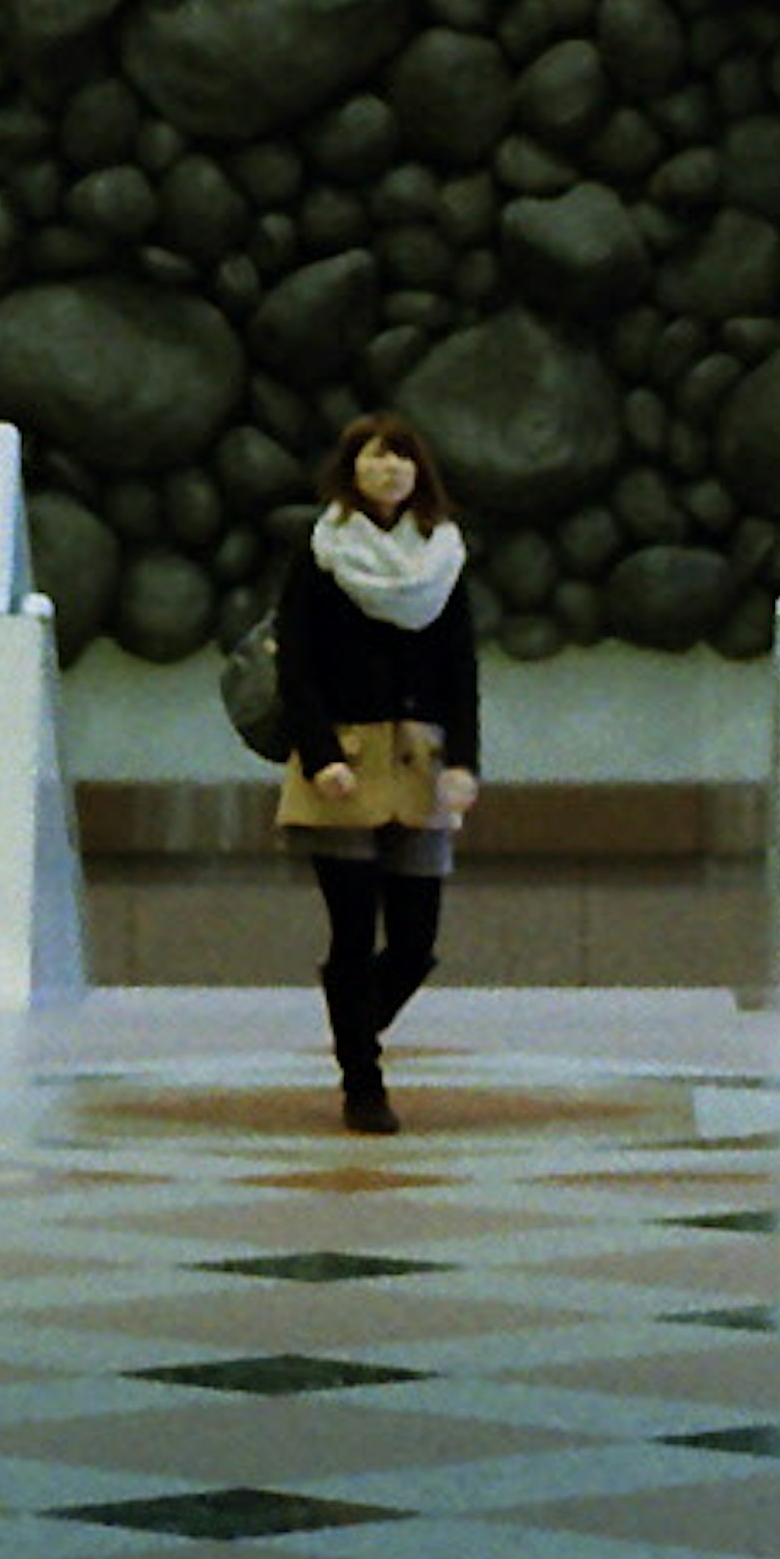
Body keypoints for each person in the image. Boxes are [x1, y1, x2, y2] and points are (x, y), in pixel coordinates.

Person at [270, 412, 480, 1132]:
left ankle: (353, 1027)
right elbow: (293, 660)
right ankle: (363, 1081)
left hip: (421, 760)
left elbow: (462, 666)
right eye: (373, 457)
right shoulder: (322, 550)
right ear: (350, 470)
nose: (388, 470)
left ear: (420, 471)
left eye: (401, 458)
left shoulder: (443, 554)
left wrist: (467, 762)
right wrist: (320, 753)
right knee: (353, 930)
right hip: (345, 761)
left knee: (416, 941)